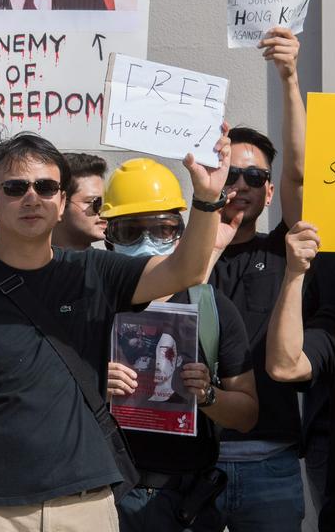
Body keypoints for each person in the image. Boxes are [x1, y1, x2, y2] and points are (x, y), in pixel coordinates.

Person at [0, 129, 231, 531]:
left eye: (46, 187)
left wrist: (206, 197)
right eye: (15, 187)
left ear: (62, 201)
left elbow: (185, 271)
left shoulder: (94, 271)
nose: (32, 197)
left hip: (87, 505)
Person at [99, 158, 257, 532]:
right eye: (129, 232)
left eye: (162, 229)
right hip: (111, 498)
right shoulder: (87, 306)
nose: (146, 243)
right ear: (108, 236)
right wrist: (93, 381)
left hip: (190, 502)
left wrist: (208, 396)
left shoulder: (212, 308)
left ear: (181, 233)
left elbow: (248, 414)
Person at [203, 27, 313, 531]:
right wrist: (209, 245)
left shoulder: (283, 248)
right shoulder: (182, 257)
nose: (241, 185)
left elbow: (299, 174)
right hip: (192, 461)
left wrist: (288, 78)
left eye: (254, 178)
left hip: (271, 462)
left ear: (268, 194)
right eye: (230, 175)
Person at [51, 153, 108, 251]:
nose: (104, 211)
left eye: (106, 202)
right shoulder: (22, 262)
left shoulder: (112, 264)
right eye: (95, 202)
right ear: (60, 204)